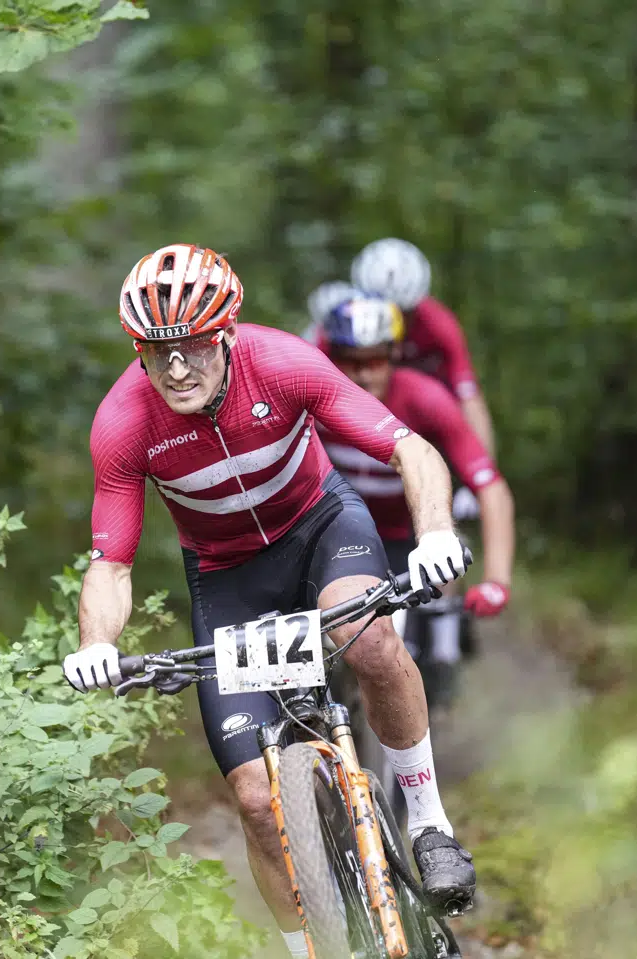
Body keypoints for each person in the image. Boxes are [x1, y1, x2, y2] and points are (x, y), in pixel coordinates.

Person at [64, 243, 479, 955]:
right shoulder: (125, 423)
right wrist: (97, 644)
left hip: (321, 528)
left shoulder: (283, 363)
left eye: (193, 345)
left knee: (372, 637)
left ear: (225, 332)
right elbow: (111, 564)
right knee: (258, 800)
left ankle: (429, 820)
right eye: (156, 351)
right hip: (228, 579)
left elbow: (410, 448)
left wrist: (435, 531)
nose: (175, 368)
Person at [315, 292, 515, 712]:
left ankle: (442, 660)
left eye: (375, 361)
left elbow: (491, 488)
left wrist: (497, 580)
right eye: (351, 362)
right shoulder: (311, 393)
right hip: (337, 533)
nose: (364, 375)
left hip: (405, 532)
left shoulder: (426, 399)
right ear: (330, 358)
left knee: (441, 568)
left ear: (394, 356)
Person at [349, 238, 498, 459]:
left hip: (426, 421)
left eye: (404, 313)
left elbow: (469, 398)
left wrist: (485, 471)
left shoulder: (439, 325)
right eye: (383, 314)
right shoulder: (340, 322)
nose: (394, 323)